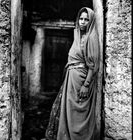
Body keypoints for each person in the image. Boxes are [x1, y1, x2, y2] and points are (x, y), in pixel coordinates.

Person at [45, 7, 100, 140]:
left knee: (77, 116)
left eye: (86, 19)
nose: (82, 22)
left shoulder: (90, 38)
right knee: (68, 113)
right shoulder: (79, 36)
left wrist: (86, 85)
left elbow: (92, 66)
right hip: (72, 80)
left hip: (81, 82)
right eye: (80, 19)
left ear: (91, 21)